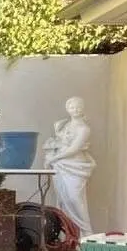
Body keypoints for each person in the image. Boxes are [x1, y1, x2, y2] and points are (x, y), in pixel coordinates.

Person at [42, 96, 95, 235]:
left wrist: (53, 158)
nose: (75, 110)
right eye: (72, 107)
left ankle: (86, 233)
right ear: (67, 109)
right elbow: (58, 143)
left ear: (83, 108)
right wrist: (52, 156)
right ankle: (68, 234)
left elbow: (74, 149)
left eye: (78, 107)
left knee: (75, 198)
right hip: (60, 165)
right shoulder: (63, 125)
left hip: (75, 166)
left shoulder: (84, 129)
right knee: (63, 200)